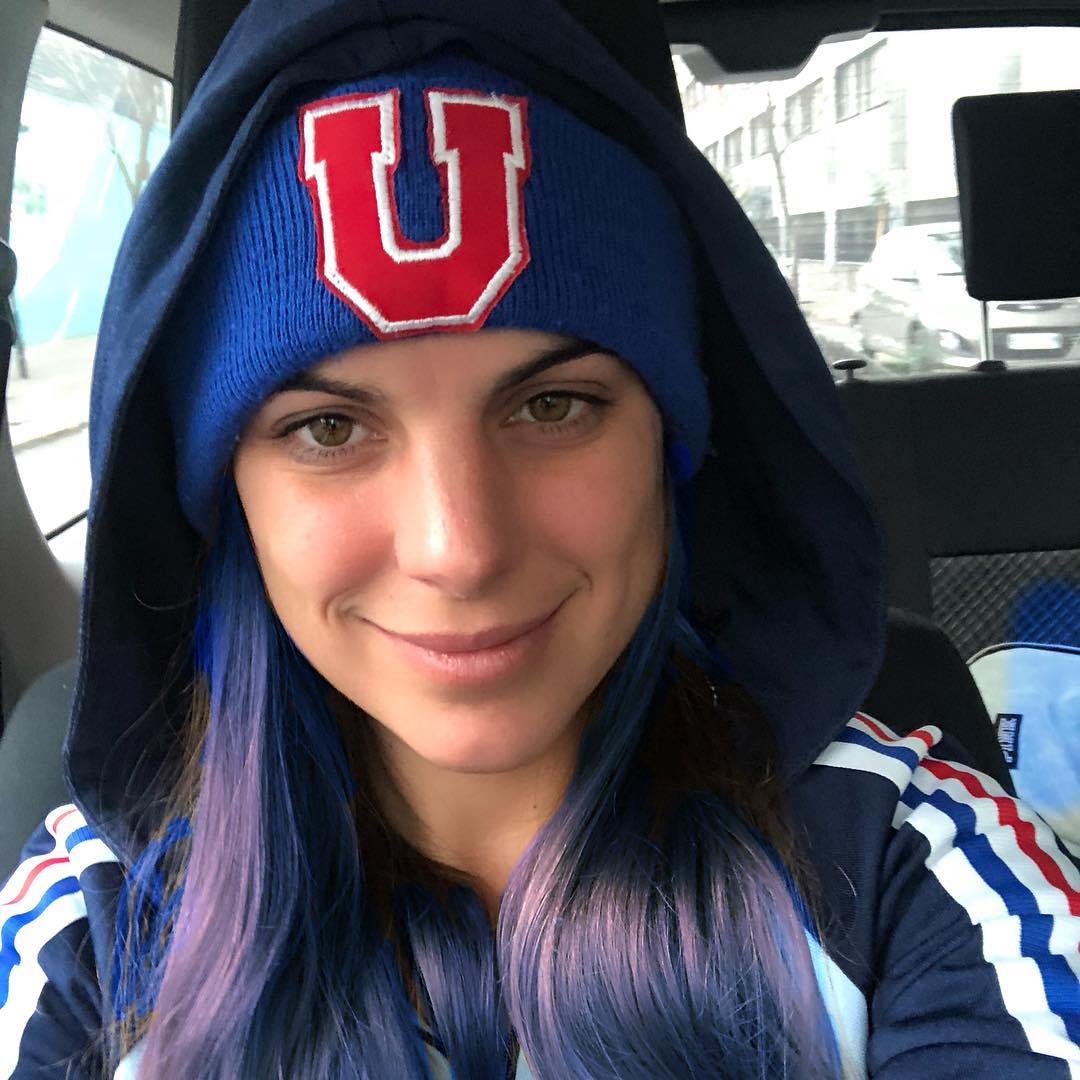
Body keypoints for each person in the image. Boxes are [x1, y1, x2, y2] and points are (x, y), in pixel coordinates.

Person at [3, 2, 1079, 1077]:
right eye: (327, 429)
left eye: (554, 406)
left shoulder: (914, 862)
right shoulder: (89, 933)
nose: (459, 548)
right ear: (227, 492)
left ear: (672, 444)